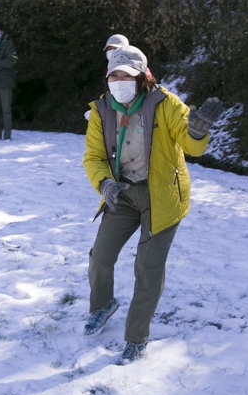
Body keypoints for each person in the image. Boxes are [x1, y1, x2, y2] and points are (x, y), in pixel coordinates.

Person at [83, 46, 225, 364]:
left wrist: (197, 131)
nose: (120, 81)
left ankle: (136, 338)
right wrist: (104, 182)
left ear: (142, 77)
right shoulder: (102, 111)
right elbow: (93, 156)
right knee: (100, 257)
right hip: (122, 193)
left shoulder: (164, 104)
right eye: (114, 75)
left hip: (161, 196)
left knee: (147, 270)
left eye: (127, 75)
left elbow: (191, 143)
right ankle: (102, 306)